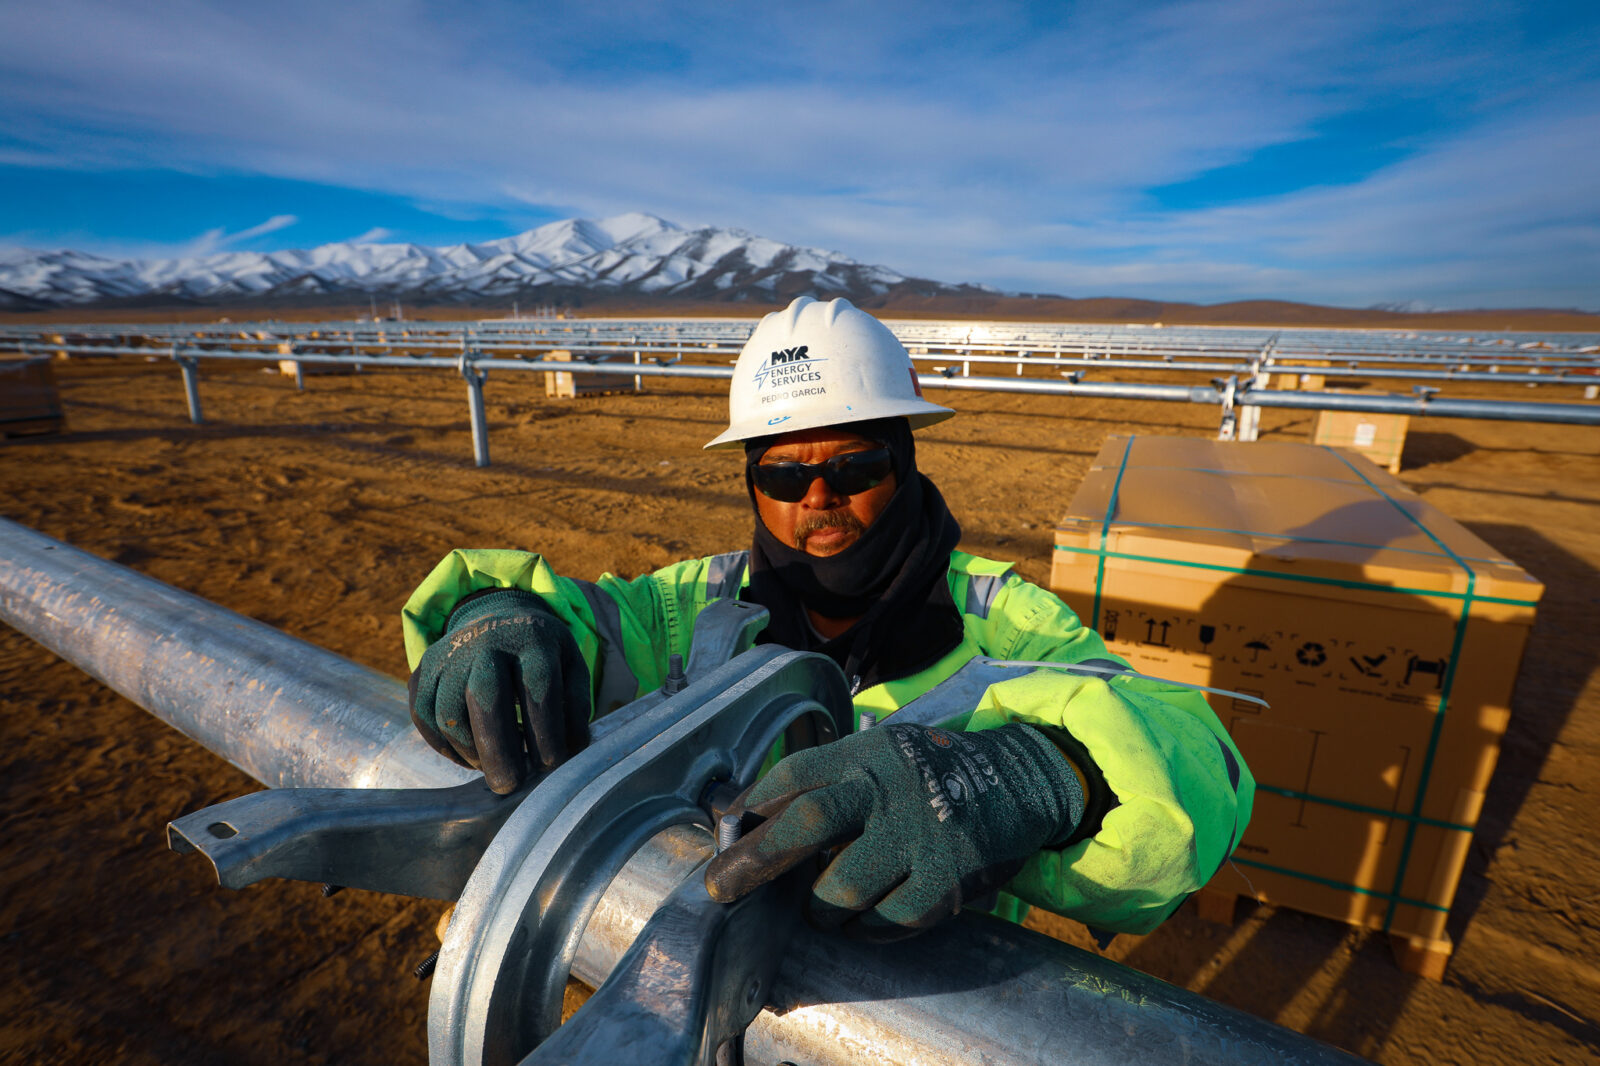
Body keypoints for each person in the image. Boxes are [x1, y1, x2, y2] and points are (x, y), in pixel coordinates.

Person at [402, 296, 1253, 941]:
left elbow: (1194, 761)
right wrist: (495, 612)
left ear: (906, 461)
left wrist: (1036, 774)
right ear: (750, 482)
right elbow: (580, 621)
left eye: (854, 465)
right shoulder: (696, 604)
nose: (817, 496)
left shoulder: (999, 620)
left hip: (924, 1011)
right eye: (782, 476)